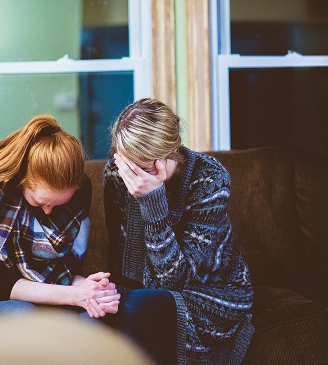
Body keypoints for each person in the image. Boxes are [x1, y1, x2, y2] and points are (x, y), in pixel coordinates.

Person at [103, 98, 254, 365]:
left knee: (139, 306)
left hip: (212, 292)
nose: (132, 175)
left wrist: (153, 203)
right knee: (108, 311)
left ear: (170, 152)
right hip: (144, 292)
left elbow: (174, 282)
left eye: (144, 166)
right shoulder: (117, 174)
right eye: (128, 164)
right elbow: (122, 257)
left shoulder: (209, 179)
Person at [0, 114, 120, 327]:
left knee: (95, 321)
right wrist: (75, 296)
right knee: (24, 316)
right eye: (40, 203)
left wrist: (91, 288)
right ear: (21, 179)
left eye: (57, 205)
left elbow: (66, 271)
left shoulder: (79, 191)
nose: (49, 212)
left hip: (46, 294)